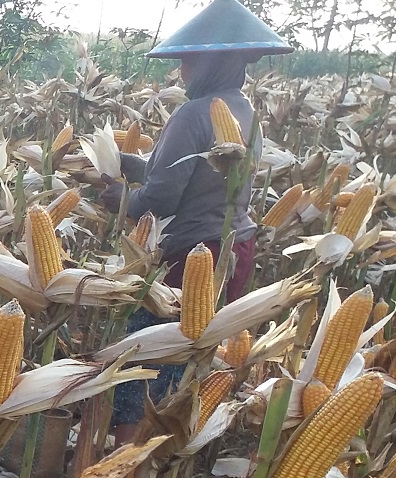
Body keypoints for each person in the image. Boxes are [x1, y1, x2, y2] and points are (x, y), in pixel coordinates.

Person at [98, 0, 294, 448]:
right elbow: (193, 170)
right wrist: (129, 163)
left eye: (189, 59)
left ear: (218, 59)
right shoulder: (245, 111)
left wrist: (121, 199)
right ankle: (176, 447)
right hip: (232, 248)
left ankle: (131, 454)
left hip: (191, 256)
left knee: (147, 359)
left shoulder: (193, 113)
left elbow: (163, 197)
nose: (182, 71)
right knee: (196, 356)